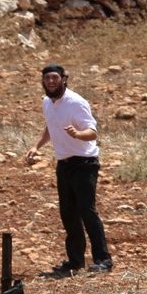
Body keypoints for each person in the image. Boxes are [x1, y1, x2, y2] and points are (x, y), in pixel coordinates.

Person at [25, 64, 114, 278]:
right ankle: (75, 261)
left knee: (87, 211)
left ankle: (103, 260)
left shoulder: (76, 102)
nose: (51, 82)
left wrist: (77, 134)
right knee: (68, 213)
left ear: (64, 79)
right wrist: (36, 146)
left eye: (55, 78)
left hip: (84, 163)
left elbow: (92, 132)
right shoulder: (47, 102)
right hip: (64, 164)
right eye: (47, 78)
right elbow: (51, 126)